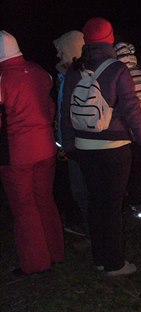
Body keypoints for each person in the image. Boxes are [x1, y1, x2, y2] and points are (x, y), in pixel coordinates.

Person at [61, 17, 141, 276]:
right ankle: (114, 263)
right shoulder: (117, 70)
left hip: (84, 148)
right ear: (109, 39)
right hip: (114, 148)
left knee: (95, 202)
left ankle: (100, 257)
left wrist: (69, 146)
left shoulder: (74, 69)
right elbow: (132, 109)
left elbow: (66, 110)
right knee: (112, 206)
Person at [0, 30, 64, 275]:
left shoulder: (3, 80)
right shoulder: (39, 72)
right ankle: (55, 252)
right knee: (45, 200)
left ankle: (36, 262)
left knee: (24, 207)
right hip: (45, 148)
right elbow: (48, 109)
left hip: (17, 154)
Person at [53, 30, 90, 238]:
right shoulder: (64, 76)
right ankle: (89, 230)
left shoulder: (81, 78)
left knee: (85, 191)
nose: (59, 55)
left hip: (81, 144)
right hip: (69, 145)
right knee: (78, 191)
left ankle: (94, 234)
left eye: (61, 51)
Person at [114, 42, 141, 218]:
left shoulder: (120, 78)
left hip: (130, 131)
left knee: (132, 169)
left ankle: (136, 202)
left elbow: (121, 107)